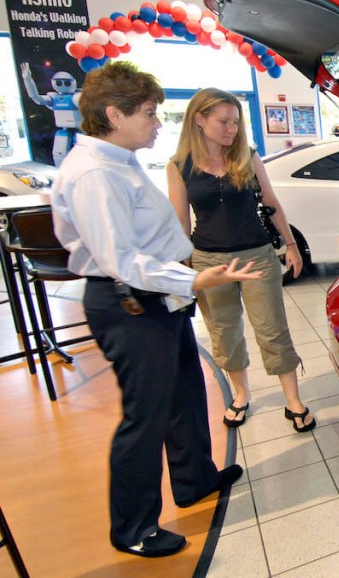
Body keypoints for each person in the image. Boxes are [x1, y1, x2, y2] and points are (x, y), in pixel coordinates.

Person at [51, 62, 260, 558]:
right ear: (113, 114)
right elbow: (119, 258)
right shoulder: (95, 173)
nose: (157, 122)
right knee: (144, 418)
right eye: (148, 113)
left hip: (155, 298)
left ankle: (194, 481)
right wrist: (192, 278)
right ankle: (134, 528)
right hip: (129, 303)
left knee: (184, 393)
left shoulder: (120, 161)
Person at [167, 88, 316, 435]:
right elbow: (180, 224)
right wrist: (183, 272)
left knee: (272, 329)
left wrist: (290, 245)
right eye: (223, 121)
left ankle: (293, 401)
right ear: (199, 120)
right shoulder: (178, 166)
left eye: (235, 121)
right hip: (208, 262)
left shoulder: (247, 157)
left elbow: (271, 201)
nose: (231, 128)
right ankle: (240, 394)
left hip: (257, 256)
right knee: (224, 333)